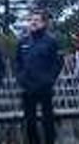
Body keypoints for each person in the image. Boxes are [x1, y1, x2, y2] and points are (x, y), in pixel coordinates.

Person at [15, 10, 62, 144]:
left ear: (43, 23)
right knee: (30, 121)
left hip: (44, 87)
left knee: (48, 119)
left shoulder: (51, 41)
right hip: (27, 87)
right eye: (31, 20)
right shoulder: (23, 42)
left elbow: (58, 62)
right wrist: (21, 78)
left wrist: (50, 79)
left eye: (37, 20)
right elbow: (17, 62)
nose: (33, 22)